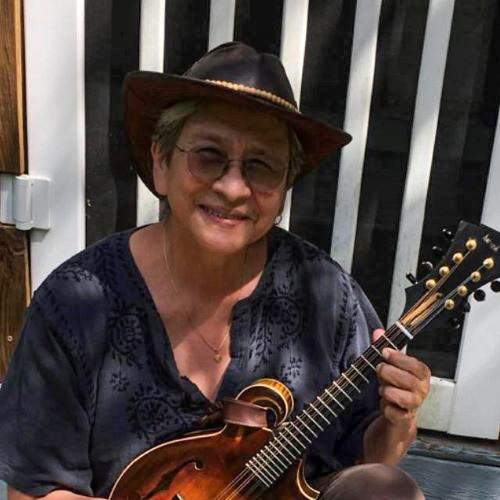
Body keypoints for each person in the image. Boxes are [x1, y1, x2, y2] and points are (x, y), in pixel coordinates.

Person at [0, 42, 430, 499]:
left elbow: (367, 463)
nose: (232, 187)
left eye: (262, 166)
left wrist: (397, 420)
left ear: (284, 189)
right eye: (208, 155)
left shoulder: (326, 294)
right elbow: (39, 489)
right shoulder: (76, 303)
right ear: (161, 164)